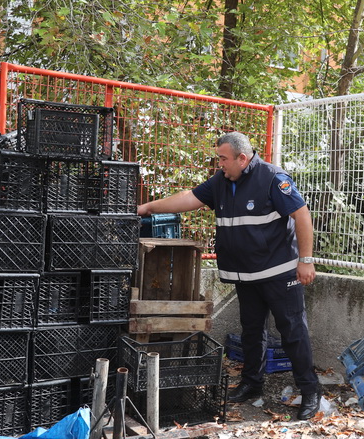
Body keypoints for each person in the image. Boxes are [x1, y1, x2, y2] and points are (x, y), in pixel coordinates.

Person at [136, 131, 323, 421]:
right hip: (246, 275)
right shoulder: (221, 181)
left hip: (279, 272)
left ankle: (310, 391)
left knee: (292, 331)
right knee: (251, 331)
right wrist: (148, 208)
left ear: (242, 158)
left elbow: (302, 214)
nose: (219, 164)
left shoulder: (272, 178)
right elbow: (189, 198)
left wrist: (306, 261)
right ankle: (252, 383)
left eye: (223, 159)